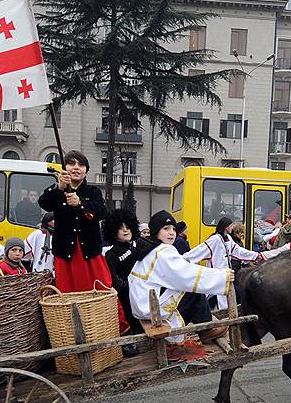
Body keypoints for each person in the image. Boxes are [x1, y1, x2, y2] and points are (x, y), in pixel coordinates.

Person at [38, 150, 128, 333]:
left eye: (81, 165)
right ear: (65, 168)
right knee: (68, 296)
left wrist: (80, 203)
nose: (76, 168)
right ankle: (73, 335)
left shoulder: (93, 191)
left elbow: (100, 212)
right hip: (65, 254)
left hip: (90, 252)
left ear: (86, 170)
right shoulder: (58, 191)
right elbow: (44, 203)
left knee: (103, 290)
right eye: (71, 164)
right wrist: (58, 188)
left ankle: (118, 329)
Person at [129, 211, 233, 344]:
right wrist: (222, 277)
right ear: (156, 232)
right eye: (166, 229)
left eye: (173, 229)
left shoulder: (150, 249)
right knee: (194, 290)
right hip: (151, 309)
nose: (171, 232)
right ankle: (206, 330)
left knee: (190, 286)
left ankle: (203, 324)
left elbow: (178, 270)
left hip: (143, 306)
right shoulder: (162, 251)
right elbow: (187, 275)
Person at [184, 216, 263, 310]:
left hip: (225, 275)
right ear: (226, 227)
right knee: (210, 297)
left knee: (222, 299)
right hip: (216, 274)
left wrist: (256, 256)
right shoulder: (215, 239)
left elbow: (239, 251)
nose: (232, 228)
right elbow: (200, 250)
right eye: (230, 226)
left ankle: (222, 317)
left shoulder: (228, 238)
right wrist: (184, 259)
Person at [103, 209, 143, 355]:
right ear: (114, 231)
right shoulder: (111, 254)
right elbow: (114, 279)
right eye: (120, 228)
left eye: (127, 226)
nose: (125, 230)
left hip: (146, 293)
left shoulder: (139, 244)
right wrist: (130, 287)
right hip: (127, 298)